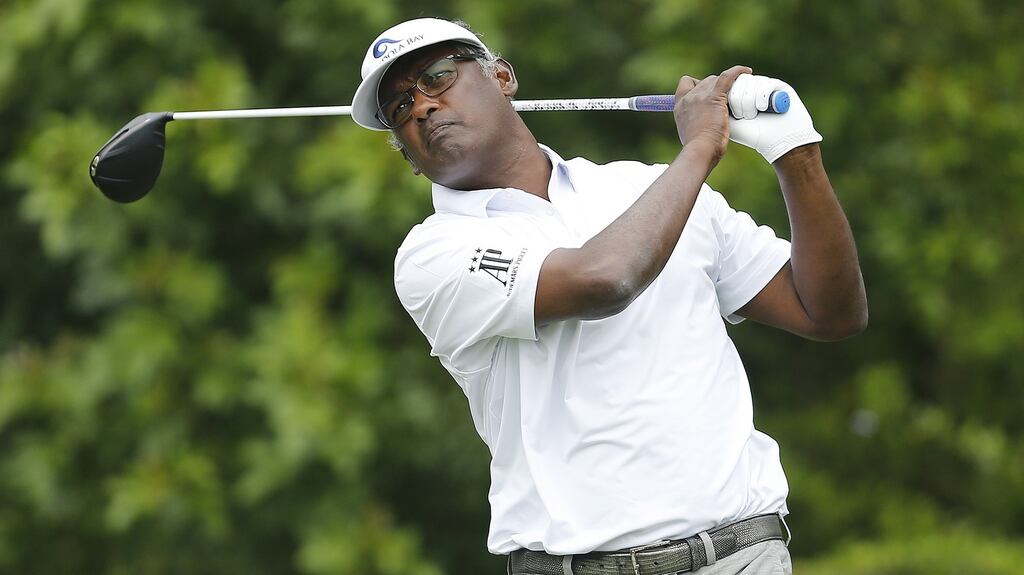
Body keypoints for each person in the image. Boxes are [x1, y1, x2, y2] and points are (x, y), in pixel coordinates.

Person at [351, 17, 867, 575]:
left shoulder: (645, 188)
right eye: (399, 108)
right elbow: (604, 280)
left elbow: (829, 312)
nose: (422, 107)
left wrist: (795, 153)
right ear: (404, 152)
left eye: (436, 77)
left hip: (740, 556)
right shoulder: (433, 255)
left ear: (501, 76)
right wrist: (700, 148)